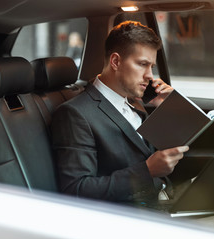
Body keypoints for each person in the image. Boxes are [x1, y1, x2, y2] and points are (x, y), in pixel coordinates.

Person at [51, 21, 189, 203]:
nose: (150, 75)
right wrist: (146, 172)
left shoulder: (135, 103)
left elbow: (150, 152)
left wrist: (168, 109)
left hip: (166, 200)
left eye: (151, 67)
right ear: (115, 61)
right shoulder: (75, 114)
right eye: (142, 64)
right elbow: (76, 190)